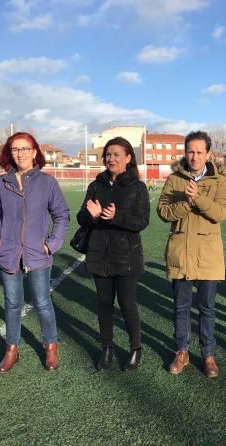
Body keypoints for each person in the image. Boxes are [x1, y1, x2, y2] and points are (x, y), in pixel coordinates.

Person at [0, 132, 69, 373]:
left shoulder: (47, 183)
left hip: (38, 254)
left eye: (25, 148)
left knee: (42, 302)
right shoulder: (2, 183)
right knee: (12, 303)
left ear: (34, 152)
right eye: (15, 149)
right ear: (10, 154)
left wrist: (51, 244)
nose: (20, 153)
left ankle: (50, 346)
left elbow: (61, 215)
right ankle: (12, 348)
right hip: (9, 253)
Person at [157, 130, 226, 378]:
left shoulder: (219, 180)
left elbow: (221, 214)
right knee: (181, 307)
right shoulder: (174, 179)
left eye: (200, 152)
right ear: (185, 152)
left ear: (208, 153)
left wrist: (197, 198)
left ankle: (208, 354)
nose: (195, 156)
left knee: (207, 308)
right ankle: (182, 351)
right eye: (191, 151)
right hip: (181, 253)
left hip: (208, 256)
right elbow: (163, 211)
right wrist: (186, 203)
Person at [77, 137, 150, 371]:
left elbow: (141, 221)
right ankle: (106, 347)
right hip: (99, 253)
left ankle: (135, 347)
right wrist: (92, 216)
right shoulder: (96, 184)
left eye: (116, 154)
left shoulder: (137, 187)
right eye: (108, 154)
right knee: (104, 303)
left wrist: (114, 217)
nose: (111, 159)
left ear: (128, 158)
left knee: (127, 304)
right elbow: (81, 216)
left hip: (126, 255)